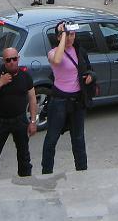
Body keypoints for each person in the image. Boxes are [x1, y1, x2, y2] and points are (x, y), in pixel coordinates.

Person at [41, 21, 94, 174]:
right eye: (67, 35)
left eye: (72, 34)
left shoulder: (79, 51)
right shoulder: (54, 52)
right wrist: (63, 34)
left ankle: (82, 170)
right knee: (52, 138)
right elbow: (57, 60)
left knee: (78, 139)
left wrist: (90, 76)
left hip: (77, 100)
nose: (70, 38)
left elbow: (88, 68)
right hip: (59, 101)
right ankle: (46, 171)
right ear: (59, 37)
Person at [0, 46, 38, 181]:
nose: (11, 62)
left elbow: (32, 98)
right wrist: (0, 83)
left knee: (24, 154)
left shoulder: (25, 76)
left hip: (19, 120)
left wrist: (33, 121)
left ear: (18, 59)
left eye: (14, 59)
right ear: (4, 61)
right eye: (8, 60)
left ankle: (26, 179)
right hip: (0, 122)